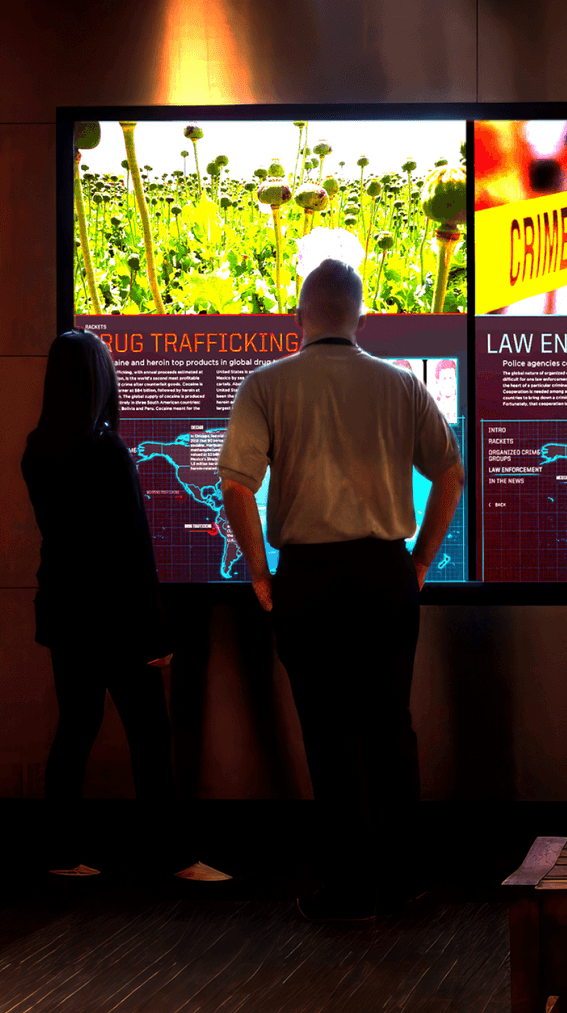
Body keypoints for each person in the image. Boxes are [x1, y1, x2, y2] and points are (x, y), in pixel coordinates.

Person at [218, 257, 464, 922]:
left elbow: (236, 484)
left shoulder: (267, 384)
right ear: (362, 317)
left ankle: (350, 889)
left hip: (309, 577)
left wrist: (259, 571)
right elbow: (450, 474)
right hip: (385, 573)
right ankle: (405, 877)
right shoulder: (400, 384)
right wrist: (417, 562)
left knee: (329, 734)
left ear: (299, 318)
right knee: (391, 726)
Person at [21, 330, 229, 884]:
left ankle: (60, 852)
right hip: (115, 620)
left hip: (66, 613)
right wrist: (157, 636)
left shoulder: (37, 448)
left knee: (76, 730)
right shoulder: (105, 451)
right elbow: (131, 550)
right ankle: (174, 856)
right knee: (150, 739)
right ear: (100, 381)